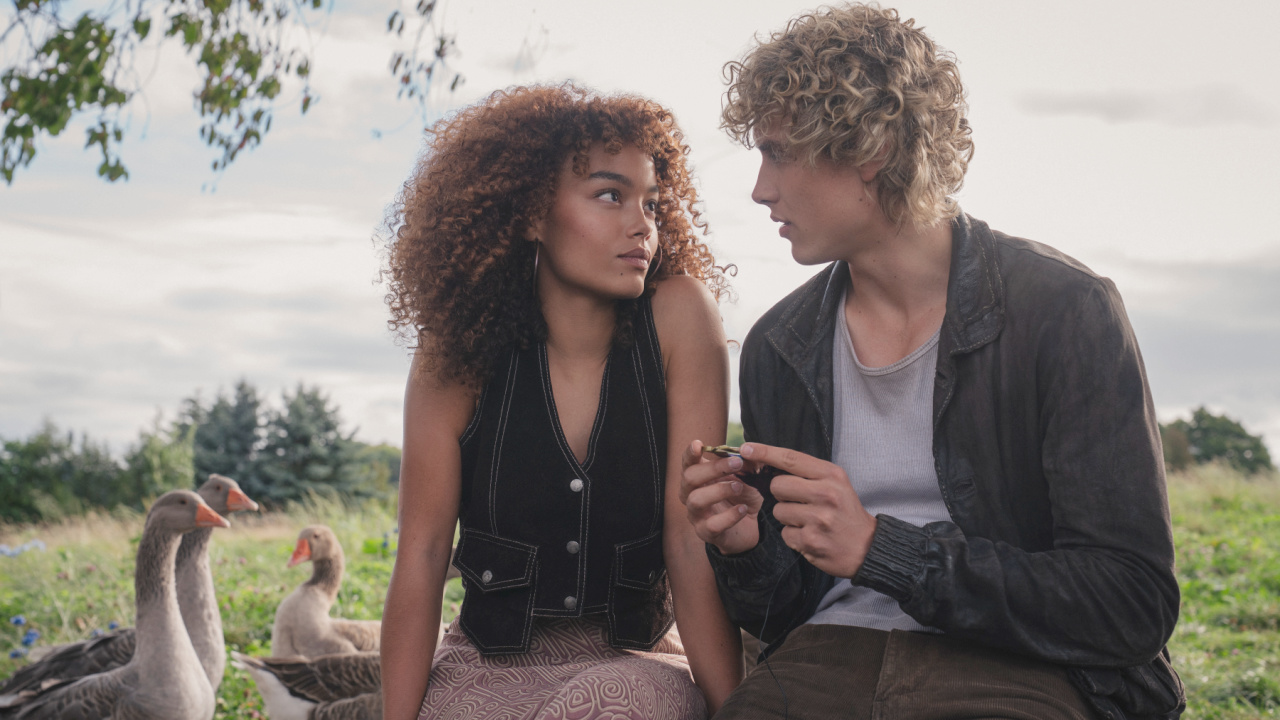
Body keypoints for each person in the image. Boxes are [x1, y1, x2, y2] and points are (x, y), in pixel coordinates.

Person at [679, 5, 1184, 720]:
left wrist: (884, 551)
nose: (761, 188)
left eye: (780, 152)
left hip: (1020, 669)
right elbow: (781, 611)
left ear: (871, 146)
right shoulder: (778, 346)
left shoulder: (1065, 310)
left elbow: (1130, 602)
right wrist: (742, 546)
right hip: (825, 659)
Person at [379, 84, 744, 720]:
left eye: (651, 203)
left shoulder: (682, 317)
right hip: (486, 669)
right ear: (529, 213)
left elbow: (689, 546)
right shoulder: (459, 347)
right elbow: (423, 554)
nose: (642, 224)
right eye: (610, 195)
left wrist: (737, 712)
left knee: (624, 707)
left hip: (637, 666)